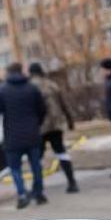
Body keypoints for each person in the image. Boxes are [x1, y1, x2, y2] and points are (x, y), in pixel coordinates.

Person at [0, 62, 47, 209]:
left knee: (15, 169)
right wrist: (37, 124)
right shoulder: (32, 88)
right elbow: (42, 109)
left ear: (8, 73)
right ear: (21, 71)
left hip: (12, 137)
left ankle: (22, 195)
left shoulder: (2, 90)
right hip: (32, 134)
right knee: (36, 166)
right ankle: (39, 194)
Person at [28, 62, 78, 193]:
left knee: (37, 157)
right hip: (56, 125)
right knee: (61, 153)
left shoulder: (30, 87)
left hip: (40, 127)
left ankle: (37, 187)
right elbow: (64, 103)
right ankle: (72, 182)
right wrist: (70, 120)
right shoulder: (52, 85)